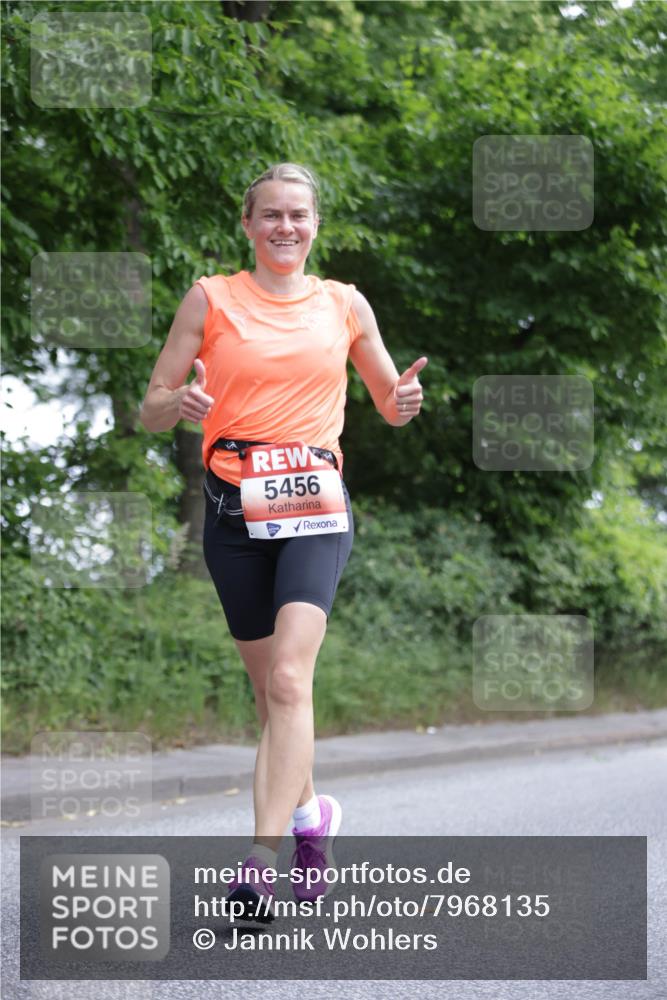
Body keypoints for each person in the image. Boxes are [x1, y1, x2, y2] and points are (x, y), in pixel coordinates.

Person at [140, 162, 426, 921]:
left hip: (313, 505)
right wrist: (181, 400)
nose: (285, 227)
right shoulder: (210, 298)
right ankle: (311, 819)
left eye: (297, 215)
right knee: (271, 696)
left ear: (315, 223)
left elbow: (388, 405)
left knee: (291, 682)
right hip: (233, 511)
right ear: (248, 225)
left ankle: (257, 866)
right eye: (270, 215)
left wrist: (403, 401)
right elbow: (152, 409)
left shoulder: (344, 304)